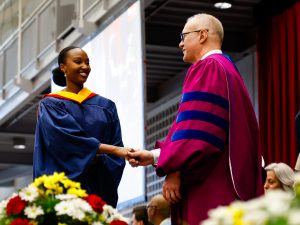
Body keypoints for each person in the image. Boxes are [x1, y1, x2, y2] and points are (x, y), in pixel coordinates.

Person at [128, 13, 263, 225]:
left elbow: (199, 134)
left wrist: (174, 168)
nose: (180, 43)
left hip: (211, 185)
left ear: (202, 35)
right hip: (226, 183)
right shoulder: (228, 69)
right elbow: (196, 126)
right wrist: (156, 155)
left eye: (183, 36)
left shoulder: (208, 67)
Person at [33, 46, 130, 207]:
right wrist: (94, 154)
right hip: (64, 192)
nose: (85, 67)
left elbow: (117, 146)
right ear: (63, 67)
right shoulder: (50, 104)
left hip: (98, 185)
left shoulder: (106, 105)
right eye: (78, 62)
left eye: (87, 62)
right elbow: (63, 140)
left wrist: (103, 158)